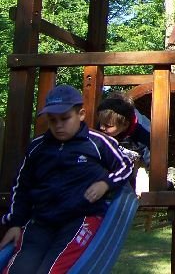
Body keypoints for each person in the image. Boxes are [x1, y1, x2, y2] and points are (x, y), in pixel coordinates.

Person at [0, 84, 134, 273]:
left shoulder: (98, 142)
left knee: (52, 270)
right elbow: (21, 187)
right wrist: (15, 223)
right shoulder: (38, 147)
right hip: (41, 220)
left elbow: (126, 166)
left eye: (65, 118)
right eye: (52, 120)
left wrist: (106, 183)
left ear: (81, 114)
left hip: (80, 217)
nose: (58, 125)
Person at [97, 92, 151, 170]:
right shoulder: (104, 123)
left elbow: (151, 166)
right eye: (100, 123)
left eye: (108, 126)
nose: (101, 127)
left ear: (125, 125)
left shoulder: (146, 134)